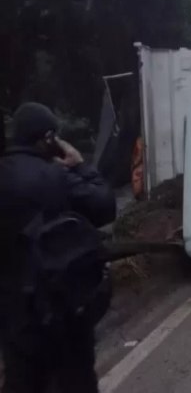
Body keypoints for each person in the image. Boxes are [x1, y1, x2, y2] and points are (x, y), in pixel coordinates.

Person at [0, 102, 116, 393]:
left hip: (15, 320)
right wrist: (81, 165)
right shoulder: (56, 177)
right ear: (49, 138)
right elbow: (104, 206)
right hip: (63, 310)